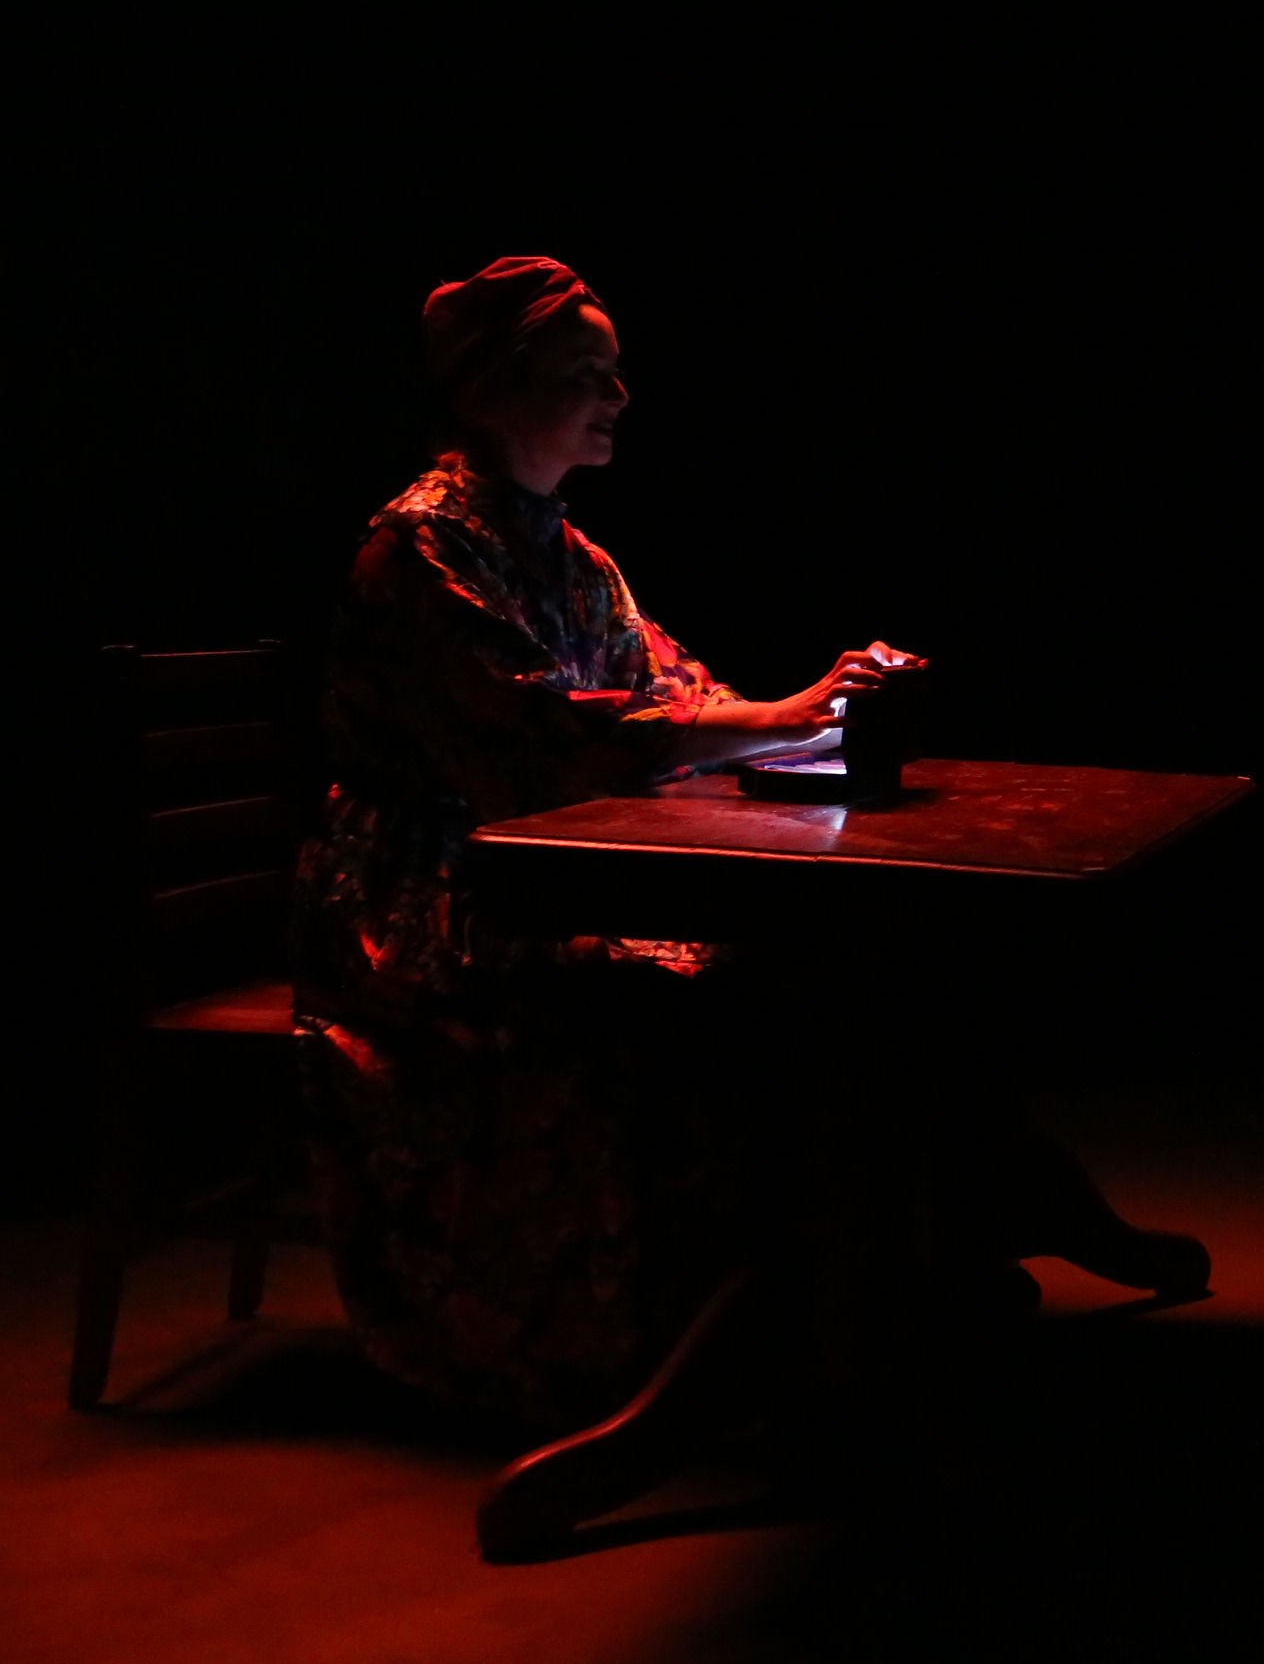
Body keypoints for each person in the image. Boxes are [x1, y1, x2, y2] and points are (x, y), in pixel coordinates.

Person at [293, 255, 1210, 1450]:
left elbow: (678, 694)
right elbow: (562, 739)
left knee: (860, 977)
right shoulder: (422, 547)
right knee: (740, 991)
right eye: (586, 375)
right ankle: (762, 1318)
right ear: (494, 390)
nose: (619, 397)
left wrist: (829, 713)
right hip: (443, 902)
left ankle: (892, 1269)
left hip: (550, 875)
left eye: (617, 372)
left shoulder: (567, 553)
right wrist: (784, 716)